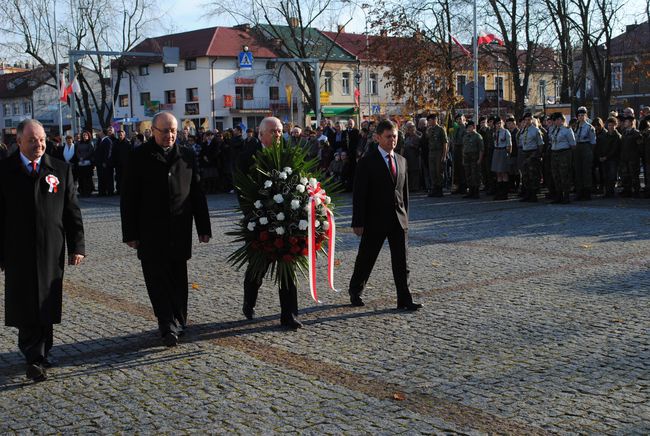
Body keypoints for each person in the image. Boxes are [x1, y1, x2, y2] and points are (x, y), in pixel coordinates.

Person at [0, 119, 85, 382]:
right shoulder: (4, 171)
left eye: (42, 140)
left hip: (51, 248)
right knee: (26, 302)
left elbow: (72, 211)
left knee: (46, 300)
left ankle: (43, 350)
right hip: (18, 250)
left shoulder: (59, 169)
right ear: (19, 142)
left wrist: (77, 246)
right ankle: (33, 355)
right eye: (32, 140)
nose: (38, 144)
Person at [120, 112, 211, 347]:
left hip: (179, 229)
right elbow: (129, 197)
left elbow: (197, 194)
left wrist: (203, 227)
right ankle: (166, 323)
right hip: (150, 231)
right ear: (153, 131)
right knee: (157, 279)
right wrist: (130, 233)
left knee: (179, 277)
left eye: (173, 131)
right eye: (164, 131)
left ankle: (179, 319)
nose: (169, 135)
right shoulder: (139, 156)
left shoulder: (187, 155)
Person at [236, 116, 303, 329]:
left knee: (287, 266)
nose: (277, 134)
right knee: (258, 267)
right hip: (260, 221)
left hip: (287, 220)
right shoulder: (248, 157)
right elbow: (241, 189)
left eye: (279, 130)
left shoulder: (288, 154)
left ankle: (289, 314)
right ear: (261, 134)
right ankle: (249, 301)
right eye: (272, 131)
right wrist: (256, 213)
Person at [348, 119, 422, 311]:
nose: (393, 140)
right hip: (374, 220)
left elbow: (403, 194)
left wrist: (405, 217)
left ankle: (404, 298)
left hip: (398, 219)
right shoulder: (366, 162)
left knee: (401, 261)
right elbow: (359, 194)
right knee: (366, 258)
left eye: (395, 136)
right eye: (388, 137)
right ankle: (355, 290)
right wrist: (358, 221)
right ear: (377, 137)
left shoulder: (401, 160)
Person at [549, 112, 576, 204]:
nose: (555, 122)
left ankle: (566, 196)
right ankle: (559, 196)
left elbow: (573, 144)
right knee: (556, 175)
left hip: (564, 153)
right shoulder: (553, 129)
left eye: (557, 119)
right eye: (554, 120)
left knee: (564, 175)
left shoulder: (567, 130)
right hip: (554, 153)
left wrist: (569, 156)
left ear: (562, 120)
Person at [518, 113, 544, 202]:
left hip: (532, 153)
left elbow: (540, 144)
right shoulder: (523, 130)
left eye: (529, 120)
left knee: (533, 175)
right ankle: (527, 193)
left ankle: (533, 194)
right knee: (525, 175)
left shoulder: (535, 130)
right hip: (524, 152)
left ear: (532, 120)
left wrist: (537, 155)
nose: (527, 121)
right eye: (526, 120)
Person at [572, 107, 597, 200]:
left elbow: (593, 142)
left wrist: (589, 152)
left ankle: (587, 192)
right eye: (579, 115)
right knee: (578, 171)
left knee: (586, 171)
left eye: (582, 115)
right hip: (577, 148)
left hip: (586, 147)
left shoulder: (590, 127)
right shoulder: (575, 126)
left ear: (586, 116)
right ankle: (579, 191)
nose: (581, 117)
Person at [595, 117, 621, 197]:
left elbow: (615, 149)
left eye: (612, 125)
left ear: (615, 125)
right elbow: (599, 147)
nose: (610, 127)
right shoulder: (604, 136)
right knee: (605, 176)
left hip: (613, 159)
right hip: (604, 159)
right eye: (609, 125)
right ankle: (607, 192)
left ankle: (611, 192)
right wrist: (600, 156)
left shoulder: (617, 136)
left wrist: (606, 157)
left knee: (612, 176)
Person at [618, 114, 643, 197]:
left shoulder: (636, 133)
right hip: (625, 158)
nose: (625, 123)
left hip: (633, 158)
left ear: (631, 122)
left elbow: (640, 147)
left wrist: (638, 156)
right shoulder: (624, 132)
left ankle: (636, 191)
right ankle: (627, 190)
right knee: (625, 175)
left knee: (634, 175)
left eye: (626, 121)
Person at [426, 114, 448, 197]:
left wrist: (444, 155)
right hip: (431, 152)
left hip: (439, 152)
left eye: (430, 120)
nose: (429, 122)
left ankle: (439, 189)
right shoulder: (430, 129)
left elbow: (445, 143)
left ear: (435, 120)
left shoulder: (441, 129)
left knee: (439, 171)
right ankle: (434, 188)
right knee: (432, 171)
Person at [491, 117, 512, 200]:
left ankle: (505, 193)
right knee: (498, 173)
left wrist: (508, 155)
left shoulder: (506, 132)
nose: (498, 125)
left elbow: (509, 145)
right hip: (496, 151)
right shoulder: (494, 133)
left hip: (503, 151)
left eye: (500, 123)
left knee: (504, 172)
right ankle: (499, 192)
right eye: (497, 124)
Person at [461, 120, 484, 199]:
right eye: (467, 127)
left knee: (475, 175)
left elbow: (481, 149)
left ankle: (476, 192)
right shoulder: (465, 136)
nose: (468, 129)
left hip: (475, 157)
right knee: (468, 175)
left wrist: (480, 159)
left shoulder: (478, 136)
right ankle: (470, 191)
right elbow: (463, 148)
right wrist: (463, 159)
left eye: (470, 127)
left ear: (474, 127)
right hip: (467, 157)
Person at [94, 128, 115, 196]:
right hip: (100, 163)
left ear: (103, 133)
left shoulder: (107, 141)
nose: (98, 133)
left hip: (105, 164)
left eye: (100, 131)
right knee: (101, 177)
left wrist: (105, 162)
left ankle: (109, 191)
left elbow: (108, 153)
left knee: (108, 177)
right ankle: (102, 191)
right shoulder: (101, 141)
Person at [402, 121, 421, 191]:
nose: (410, 130)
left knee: (415, 172)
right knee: (409, 172)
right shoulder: (407, 136)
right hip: (407, 156)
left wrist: (412, 145)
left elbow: (418, 147)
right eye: (409, 129)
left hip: (414, 156)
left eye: (411, 129)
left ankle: (415, 187)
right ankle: (410, 186)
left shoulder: (417, 137)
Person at [112, 129, 132, 195]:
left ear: (124, 135)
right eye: (119, 134)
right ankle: (119, 190)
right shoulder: (115, 142)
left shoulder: (128, 143)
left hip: (125, 164)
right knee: (118, 178)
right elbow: (113, 153)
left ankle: (125, 190)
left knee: (125, 178)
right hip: (118, 164)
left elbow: (130, 154)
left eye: (121, 134)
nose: (120, 136)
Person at [451, 114, 467, 194]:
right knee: (457, 168)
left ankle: (464, 186)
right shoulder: (457, 128)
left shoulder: (465, 128)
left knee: (462, 168)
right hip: (456, 148)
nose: (459, 120)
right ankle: (459, 186)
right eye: (457, 119)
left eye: (460, 119)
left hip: (463, 148)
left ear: (464, 119)